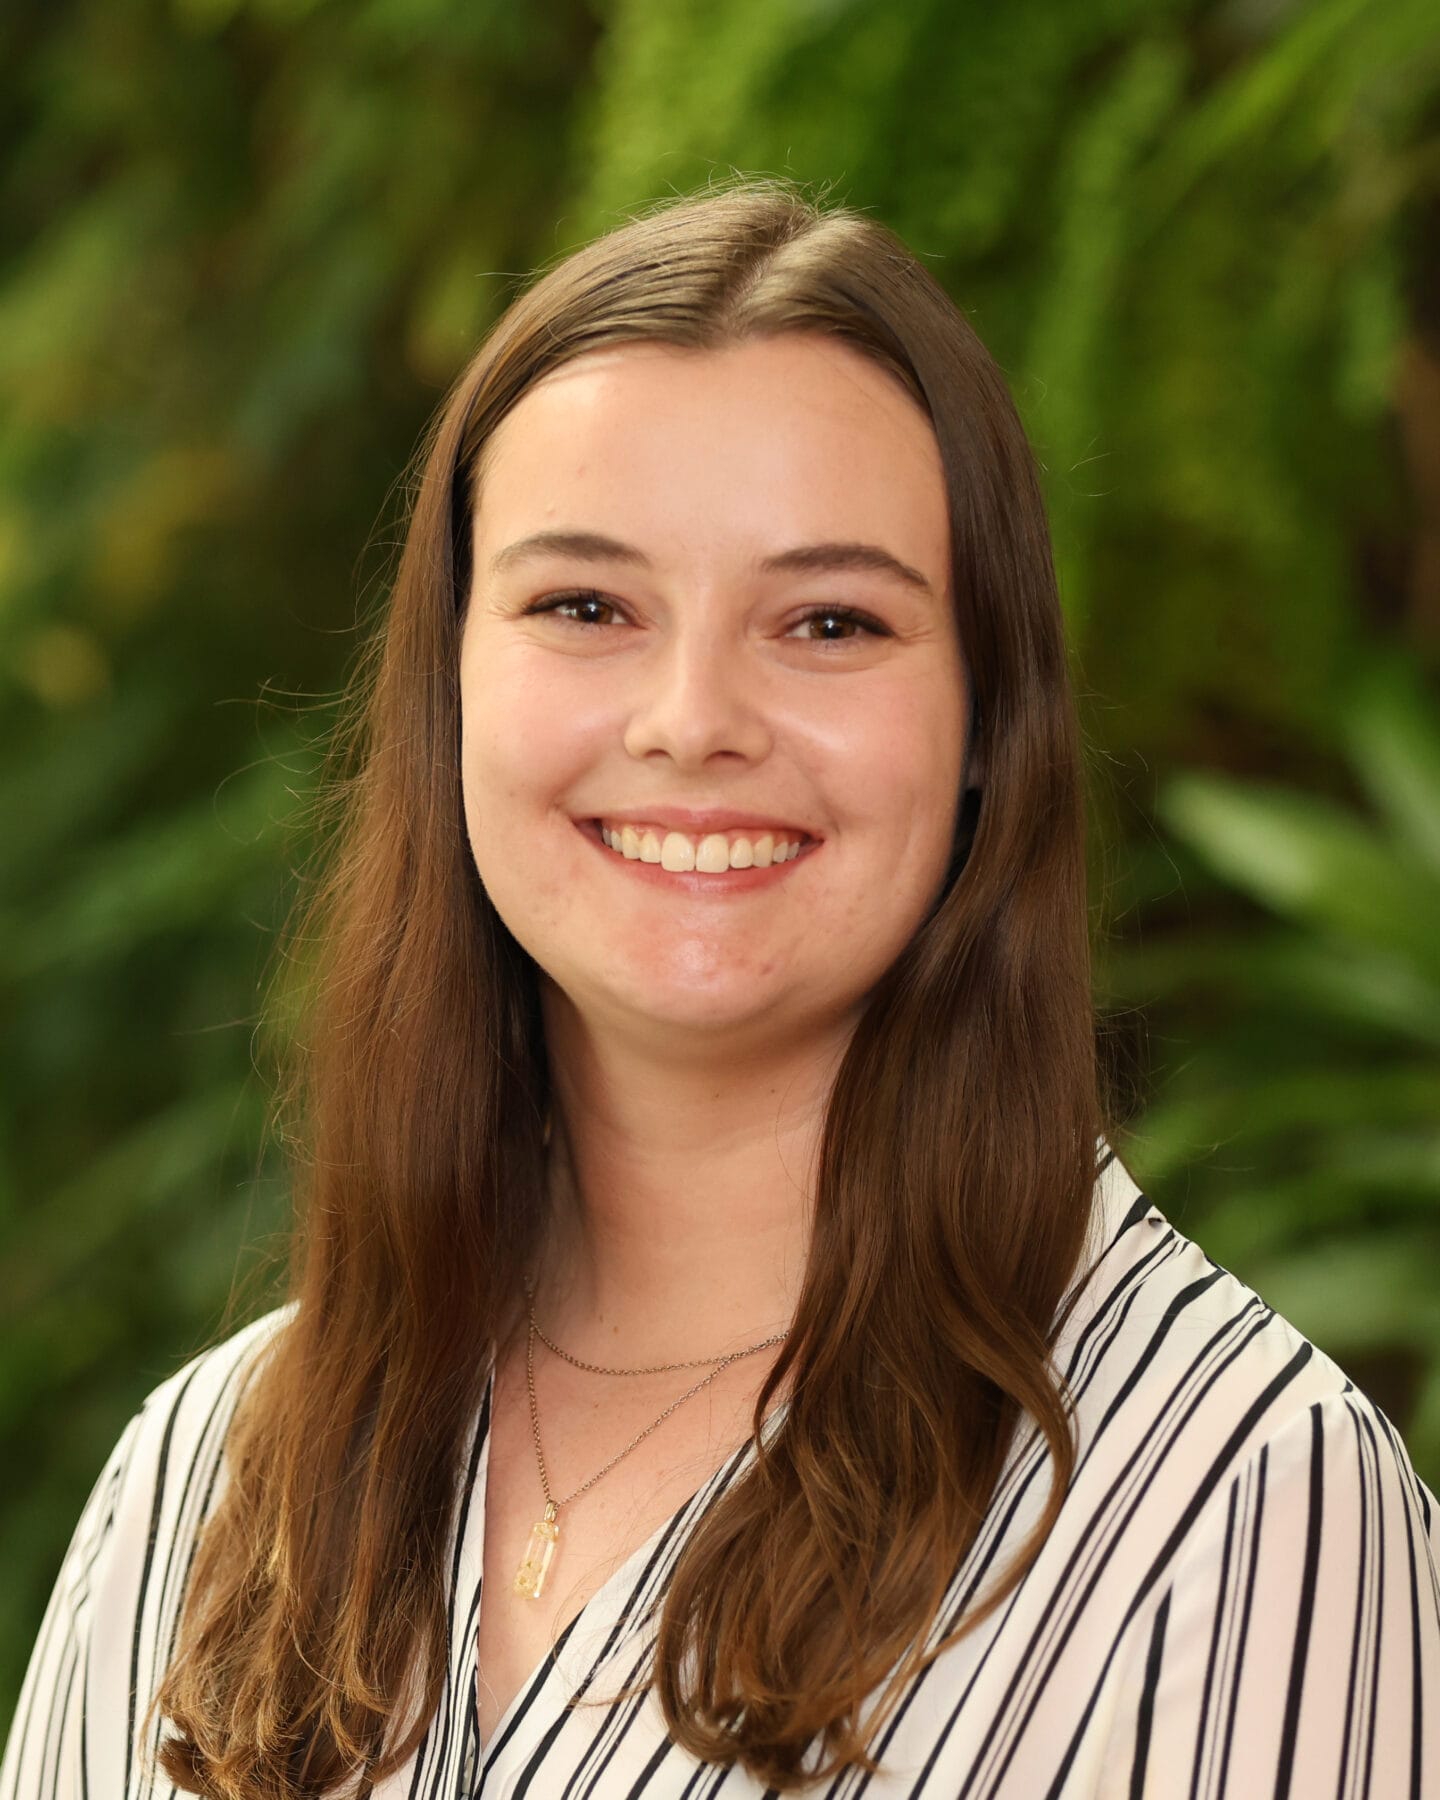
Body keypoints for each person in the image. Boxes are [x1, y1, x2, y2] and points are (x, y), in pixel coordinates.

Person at [2, 175, 1436, 1800]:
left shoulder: (1235, 1505)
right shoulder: (209, 1481)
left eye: (829, 620)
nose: (692, 718)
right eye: (586, 606)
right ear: (449, 690)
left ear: (984, 728)